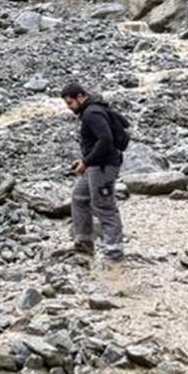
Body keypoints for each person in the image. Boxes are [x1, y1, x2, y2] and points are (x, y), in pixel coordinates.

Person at [58, 81, 124, 263]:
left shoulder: (91, 114)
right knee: (79, 198)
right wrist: (85, 161)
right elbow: (97, 141)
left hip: (103, 167)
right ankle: (84, 242)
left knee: (104, 206)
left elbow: (105, 140)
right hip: (94, 166)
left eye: (70, 103)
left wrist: (86, 161)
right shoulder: (91, 110)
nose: (70, 108)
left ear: (80, 97)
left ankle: (114, 252)